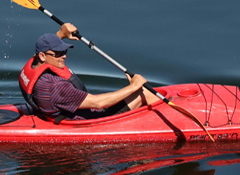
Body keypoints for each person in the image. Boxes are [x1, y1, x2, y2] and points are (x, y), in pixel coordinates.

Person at [19, 25, 152, 122]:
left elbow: (46, 52)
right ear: (42, 56)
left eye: (64, 52)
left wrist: (61, 34)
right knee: (143, 93)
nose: (64, 56)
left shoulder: (34, 65)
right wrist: (134, 86)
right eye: (58, 54)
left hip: (59, 112)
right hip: (91, 120)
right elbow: (98, 104)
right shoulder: (55, 86)